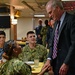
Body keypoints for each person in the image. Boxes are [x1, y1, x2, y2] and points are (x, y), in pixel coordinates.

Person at [42, 0, 75, 75]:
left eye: (50, 12)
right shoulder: (56, 23)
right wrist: (49, 59)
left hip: (68, 65)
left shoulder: (72, 20)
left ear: (57, 8)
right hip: (56, 64)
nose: (49, 16)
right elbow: (53, 43)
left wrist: (66, 63)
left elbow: (74, 44)